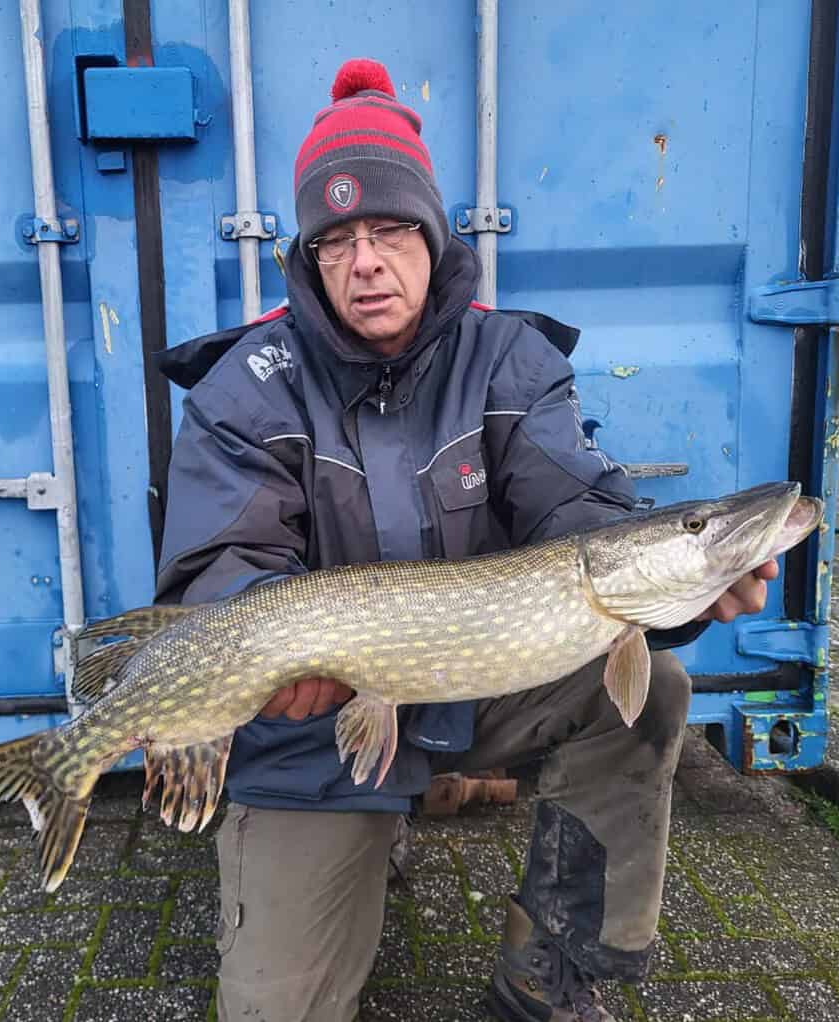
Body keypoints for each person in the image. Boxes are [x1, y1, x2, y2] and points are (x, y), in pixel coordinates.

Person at [155, 58, 777, 1022]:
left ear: (432, 236)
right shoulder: (245, 388)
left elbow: (582, 519)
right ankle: (368, 824)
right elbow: (215, 574)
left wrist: (688, 589)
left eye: (391, 230)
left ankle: (553, 975)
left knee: (652, 684)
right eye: (336, 239)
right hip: (309, 731)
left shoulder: (508, 359)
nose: (366, 260)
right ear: (308, 259)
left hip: (479, 688)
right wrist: (273, 653)